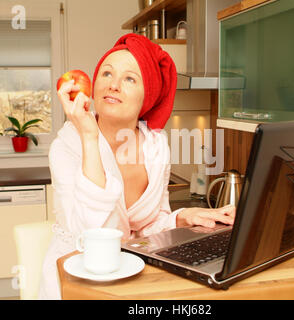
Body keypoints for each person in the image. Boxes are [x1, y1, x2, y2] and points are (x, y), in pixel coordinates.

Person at [38, 33, 235, 299]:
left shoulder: (155, 146)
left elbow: (148, 227)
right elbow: (87, 236)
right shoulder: (67, 146)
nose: (114, 85)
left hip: (129, 277)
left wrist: (183, 217)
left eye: (130, 78)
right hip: (74, 282)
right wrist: (89, 136)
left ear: (148, 96)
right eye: (106, 74)